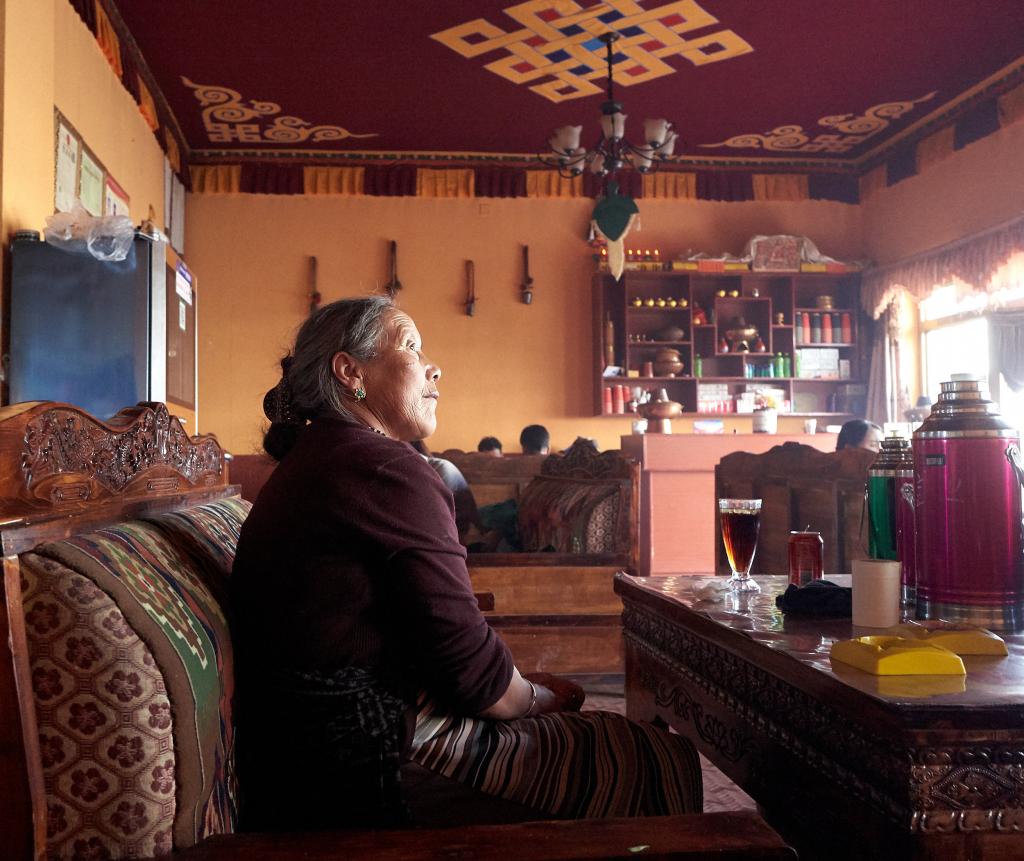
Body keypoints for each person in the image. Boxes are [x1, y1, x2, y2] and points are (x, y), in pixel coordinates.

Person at [231, 297, 701, 831]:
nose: (435, 366)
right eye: (410, 346)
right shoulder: (385, 469)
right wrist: (538, 697)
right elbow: (476, 679)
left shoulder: (325, 457)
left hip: (301, 750)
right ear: (350, 371)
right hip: (362, 763)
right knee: (658, 759)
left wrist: (517, 686)